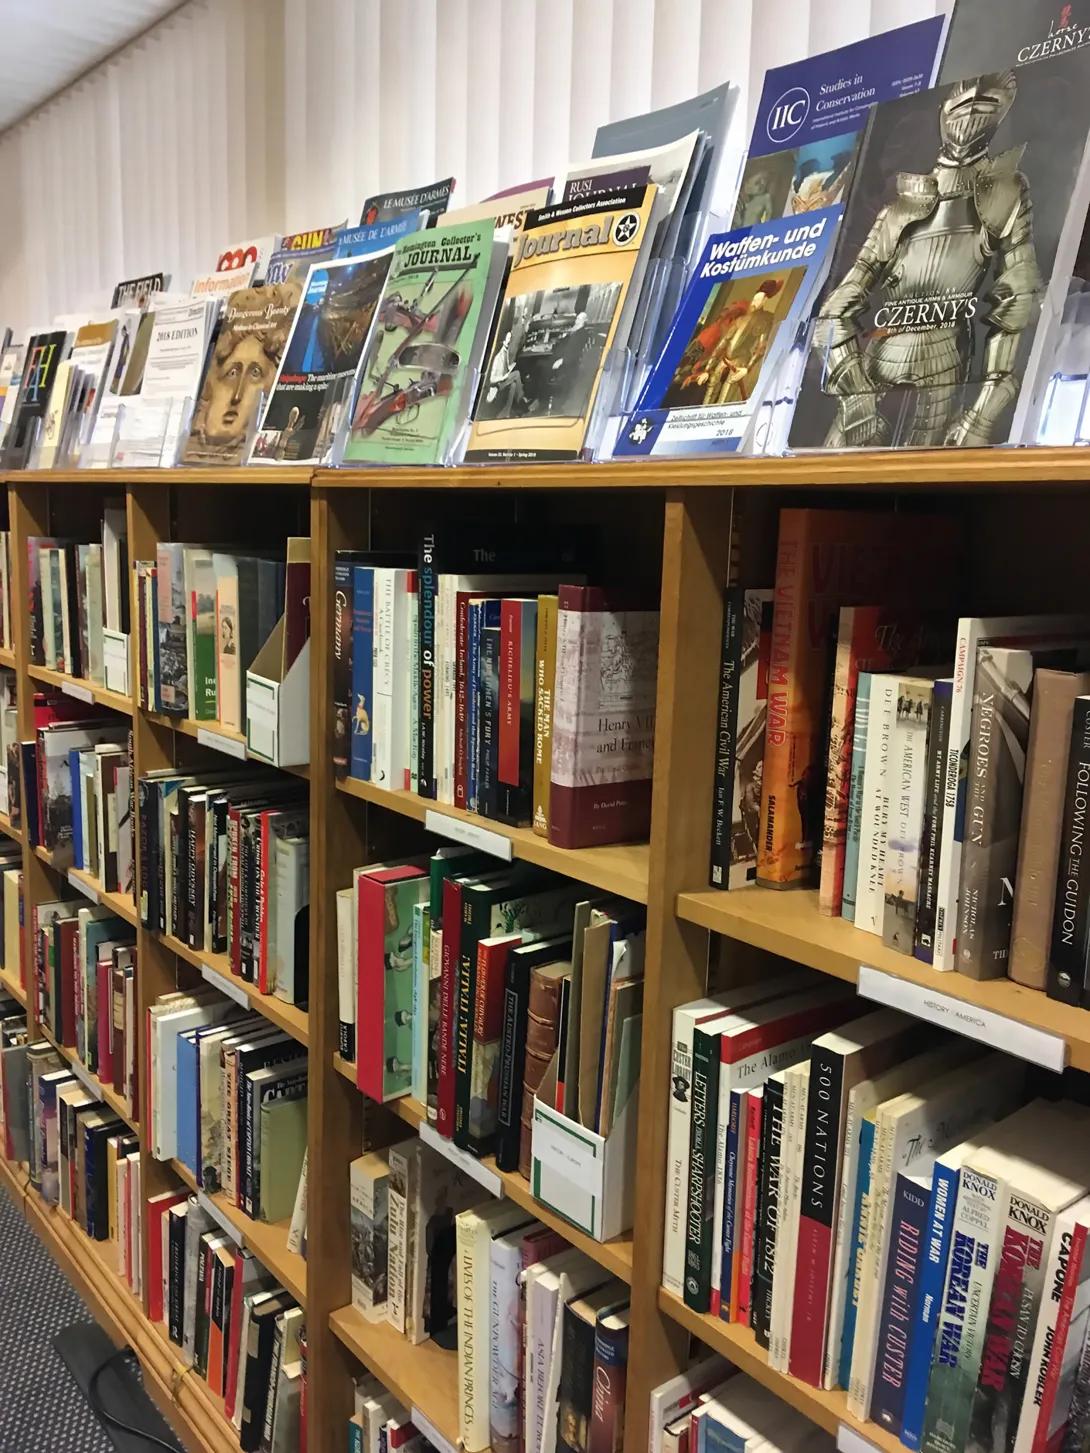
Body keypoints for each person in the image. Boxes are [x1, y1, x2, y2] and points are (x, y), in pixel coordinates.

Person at [697, 280, 784, 405]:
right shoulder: (741, 319)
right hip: (724, 360)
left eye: (758, 300)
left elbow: (761, 347)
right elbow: (723, 343)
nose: (754, 303)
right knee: (709, 394)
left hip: (740, 362)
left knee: (724, 401)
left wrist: (747, 369)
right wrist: (707, 369)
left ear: (765, 300)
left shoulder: (765, 319)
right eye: (754, 299)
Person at [484, 331, 526, 417]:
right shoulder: (498, 357)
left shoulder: (505, 352)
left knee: (513, 385)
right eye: (508, 338)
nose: (509, 340)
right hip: (497, 385)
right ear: (503, 340)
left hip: (503, 382)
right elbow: (491, 379)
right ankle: (521, 399)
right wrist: (503, 378)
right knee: (517, 374)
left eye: (510, 338)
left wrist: (510, 367)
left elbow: (504, 368)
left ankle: (506, 412)